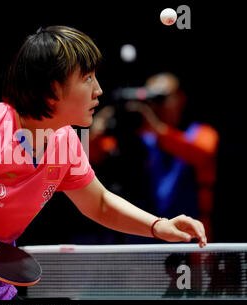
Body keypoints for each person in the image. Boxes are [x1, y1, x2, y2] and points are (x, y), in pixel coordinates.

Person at [0, 26, 207, 300]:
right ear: (52, 88)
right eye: (87, 78)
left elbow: (98, 203)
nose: (99, 90)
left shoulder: (63, 140)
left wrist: (157, 226)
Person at [90, 72, 218, 243]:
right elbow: (85, 159)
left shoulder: (201, 132)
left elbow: (203, 153)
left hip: (192, 235)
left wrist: (157, 130)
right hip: (147, 234)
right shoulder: (138, 138)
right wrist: (98, 130)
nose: (157, 106)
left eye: (162, 98)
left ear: (180, 98)